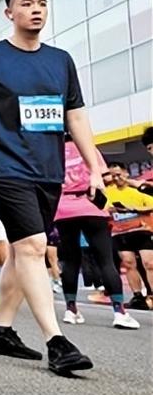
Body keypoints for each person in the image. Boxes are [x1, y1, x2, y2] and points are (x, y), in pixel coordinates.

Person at [0, 0, 99, 375]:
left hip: (48, 169)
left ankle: (0, 330)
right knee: (32, 245)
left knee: (19, 249)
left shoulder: (60, 61)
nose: (36, 9)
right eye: (26, 3)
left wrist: (94, 164)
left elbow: (73, 115)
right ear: (10, 13)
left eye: (42, 2)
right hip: (4, 164)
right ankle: (56, 342)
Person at [55, 140, 139, 329]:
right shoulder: (88, 148)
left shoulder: (52, 150)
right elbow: (105, 177)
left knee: (70, 259)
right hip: (91, 204)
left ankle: (71, 310)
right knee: (105, 260)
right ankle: (119, 312)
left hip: (64, 208)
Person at [104, 161, 153, 311]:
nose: (116, 178)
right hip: (120, 232)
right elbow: (102, 208)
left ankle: (151, 295)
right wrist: (112, 210)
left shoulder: (138, 188)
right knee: (128, 263)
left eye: (118, 174)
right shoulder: (108, 191)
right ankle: (137, 296)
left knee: (149, 263)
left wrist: (135, 208)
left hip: (142, 230)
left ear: (126, 173)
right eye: (112, 176)